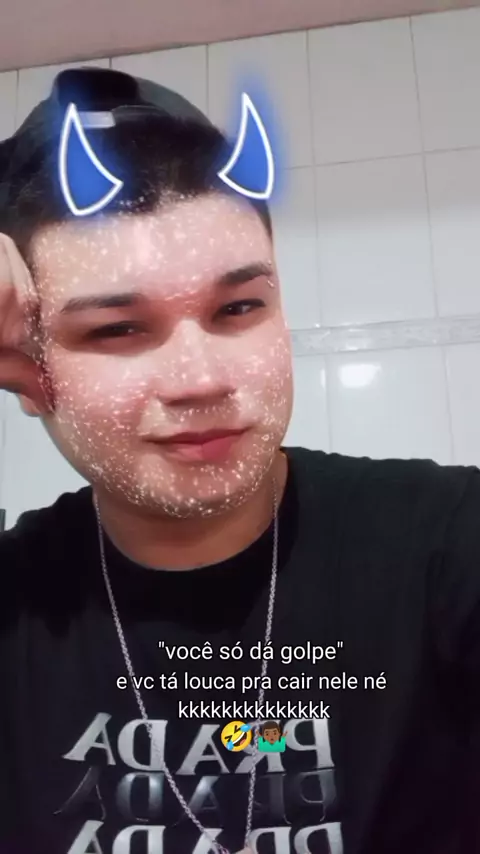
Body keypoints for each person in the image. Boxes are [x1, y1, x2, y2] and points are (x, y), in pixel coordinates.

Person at [0, 66, 479, 854]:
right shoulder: (16, 605)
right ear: (24, 368)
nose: (201, 380)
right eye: (118, 328)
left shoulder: (447, 544)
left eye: (238, 308)